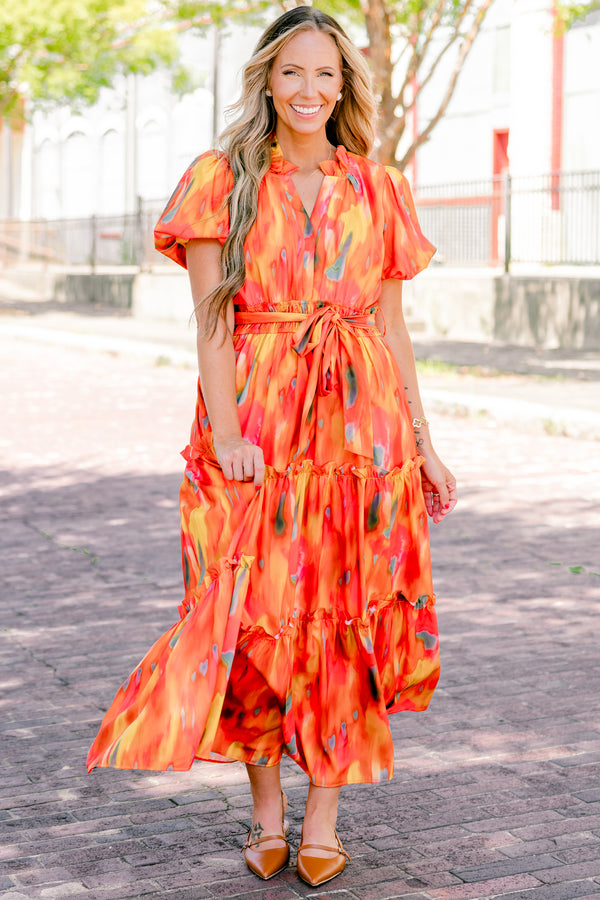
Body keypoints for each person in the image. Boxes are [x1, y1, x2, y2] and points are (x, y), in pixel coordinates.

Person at [87, 6, 457, 888]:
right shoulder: (222, 179)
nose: (309, 90)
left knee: (343, 619)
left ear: (344, 85)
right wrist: (225, 430)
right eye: (293, 72)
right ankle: (263, 814)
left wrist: (426, 444)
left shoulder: (378, 187)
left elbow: (393, 329)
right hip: (255, 420)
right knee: (250, 616)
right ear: (266, 79)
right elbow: (213, 321)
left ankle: (323, 815)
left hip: (360, 434)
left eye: (326, 74)